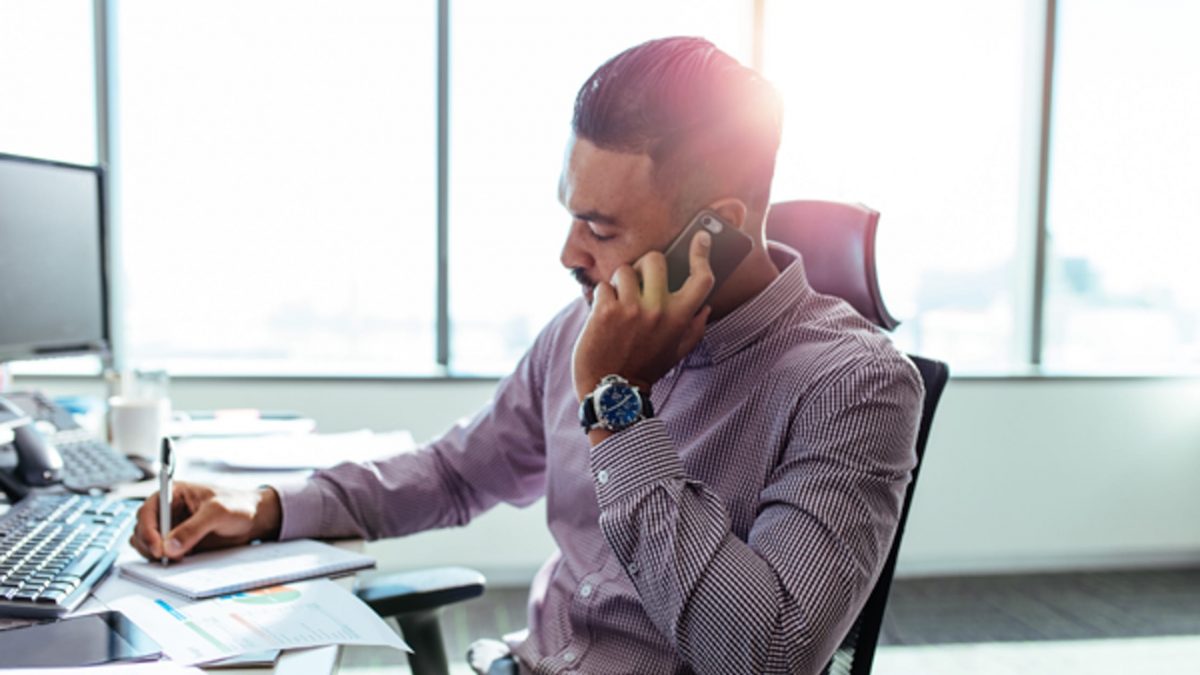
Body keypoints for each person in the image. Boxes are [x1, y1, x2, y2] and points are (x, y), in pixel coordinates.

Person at [131, 36, 923, 674]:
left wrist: (618, 405)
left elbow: (767, 655)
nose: (568, 253)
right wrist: (266, 507)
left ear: (712, 229)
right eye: (571, 215)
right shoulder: (575, 329)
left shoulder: (853, 387)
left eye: (601, 228)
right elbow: (455, 472)